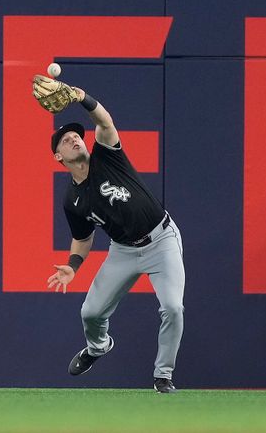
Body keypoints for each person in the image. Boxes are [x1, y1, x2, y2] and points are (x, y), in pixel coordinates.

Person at [44, 84, 186, 394]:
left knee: (173, 308)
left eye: (76, 136)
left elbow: (105, 122)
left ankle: (163, 376)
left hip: (161, 240)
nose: (73, 139)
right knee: (90, 313)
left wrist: (81, 98)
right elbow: (82, 239)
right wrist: (72, 266)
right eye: (65, 141)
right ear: (59, 157)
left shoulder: (107, 157)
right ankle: (97, 348)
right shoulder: (72, 200)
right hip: (123, 251)